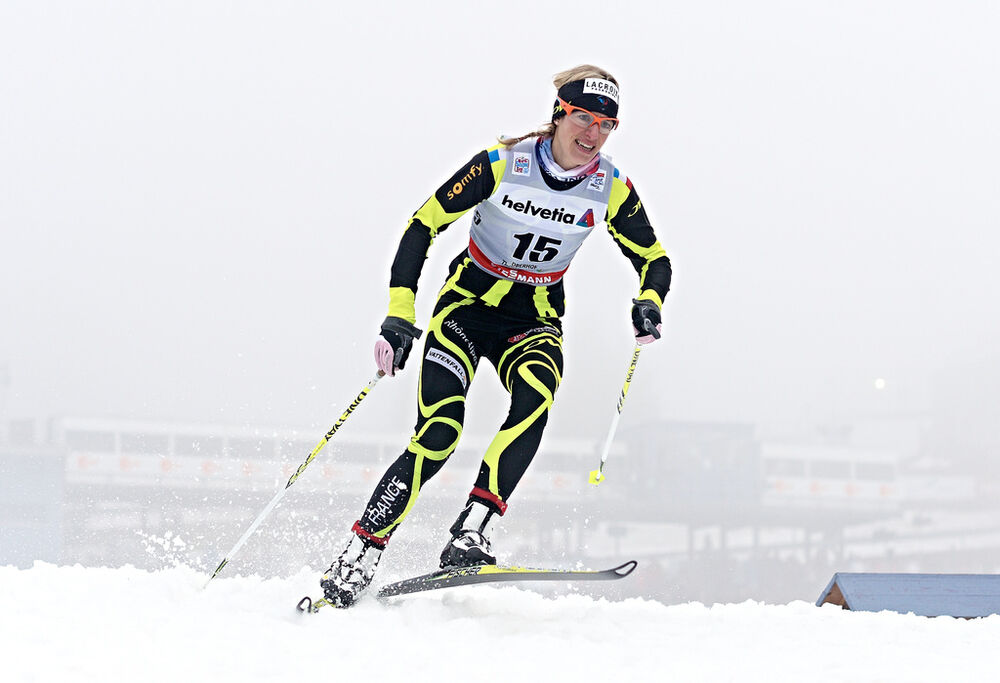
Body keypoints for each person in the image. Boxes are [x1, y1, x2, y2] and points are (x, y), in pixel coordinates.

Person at [320, 64, 672, 607]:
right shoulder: (501, 164)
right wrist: (399, 312)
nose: (593, 134)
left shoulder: (611, 186)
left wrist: (649, 301)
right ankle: (359, 553)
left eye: (607, 124)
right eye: (583, 118)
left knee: (536, 397)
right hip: (464, 310)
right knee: (439, 431)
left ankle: (471, 529)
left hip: (534, 321)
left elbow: (655, 258)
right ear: (559, 115)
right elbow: (422, 225)